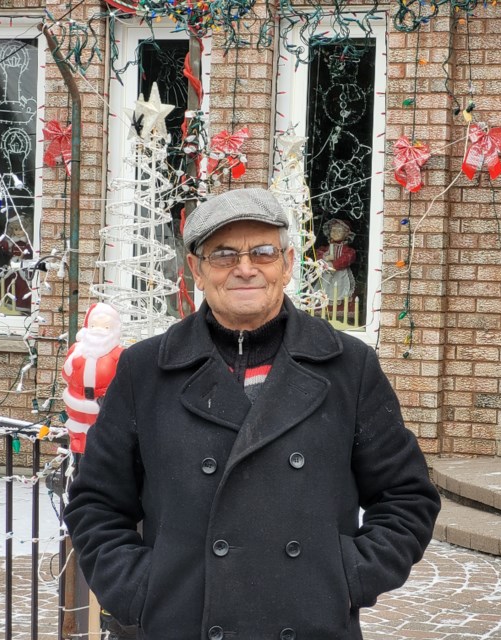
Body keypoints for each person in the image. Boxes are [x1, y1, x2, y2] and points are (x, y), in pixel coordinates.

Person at [64, 187, 441, 640]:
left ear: (287, 264)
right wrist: (141, 589)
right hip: (181, 624)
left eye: (262, 252)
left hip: (309, 626)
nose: (245, 269)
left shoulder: (347, 366)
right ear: (196, 271)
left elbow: (407, 498)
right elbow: (95, 503)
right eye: (223, 255)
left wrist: (347, 578)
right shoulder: (146, 369)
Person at [61, 302, 124, 454]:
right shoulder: (76, 350)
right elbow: (65, 374)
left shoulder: (118, 354)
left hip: (101, 405)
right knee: (77, 431)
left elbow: (123, 381)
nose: (99, 330)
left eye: (106, 326)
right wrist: (72, 363)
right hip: (75, 401)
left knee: (102, 438)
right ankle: (77, 444)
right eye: (94, 325)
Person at [317, 217, 357, 304]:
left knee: (339, 287)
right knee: (325, 287)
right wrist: (324, 257)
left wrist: (334, 265)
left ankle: (337, 301)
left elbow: (348, 258)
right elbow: (318, 256)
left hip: (340, 274)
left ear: (346, 234)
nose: (335, 233)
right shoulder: (326, 248)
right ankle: (324, 300)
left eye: (339, 231)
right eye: (333, 230)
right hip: (327, 274)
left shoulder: (347, 250)